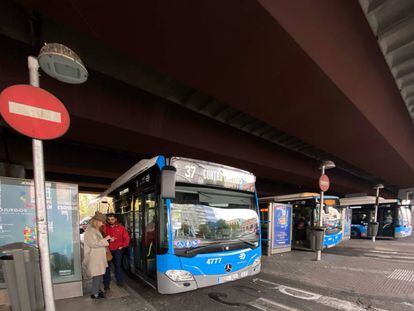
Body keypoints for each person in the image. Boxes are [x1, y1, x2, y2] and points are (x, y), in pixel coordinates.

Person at [82, 211, 114, 299]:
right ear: (96, 221)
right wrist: (106, 240)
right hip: (94, 257)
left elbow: (97, 242)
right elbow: (93, 243)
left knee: (99, 275)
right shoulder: (90, 230)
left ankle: (97, 290)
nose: (102, 224)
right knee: (97, 275)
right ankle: (95, 293)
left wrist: (107, 240)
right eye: (101, 222)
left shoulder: (94, 229)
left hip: (97, 257)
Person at [103, 213, 130, 289]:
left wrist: (122, 246)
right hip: (107, 250)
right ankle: (106, 284)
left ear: (115, 219)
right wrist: (108, 240)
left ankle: (120, 281)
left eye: (112, 219)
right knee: (106, 267)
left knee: (118, 266)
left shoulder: (121, 228)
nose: (110, 221)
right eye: (109, 219)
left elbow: (127, 238)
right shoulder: (104, 228)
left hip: (118, 250)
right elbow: (101, 238)